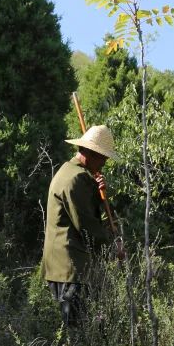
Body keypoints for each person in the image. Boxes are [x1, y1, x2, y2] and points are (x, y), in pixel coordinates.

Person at [41, 124, 123, 327]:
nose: (104, 162)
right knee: (75, 332)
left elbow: (89, 210)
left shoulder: (71, 171)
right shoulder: (77, 179)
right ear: (89, 153)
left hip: (62, 267)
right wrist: (114, 249)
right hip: (71, 268)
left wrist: (99, 192)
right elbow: (87, 226)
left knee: (71, 329)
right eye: (102, 157)